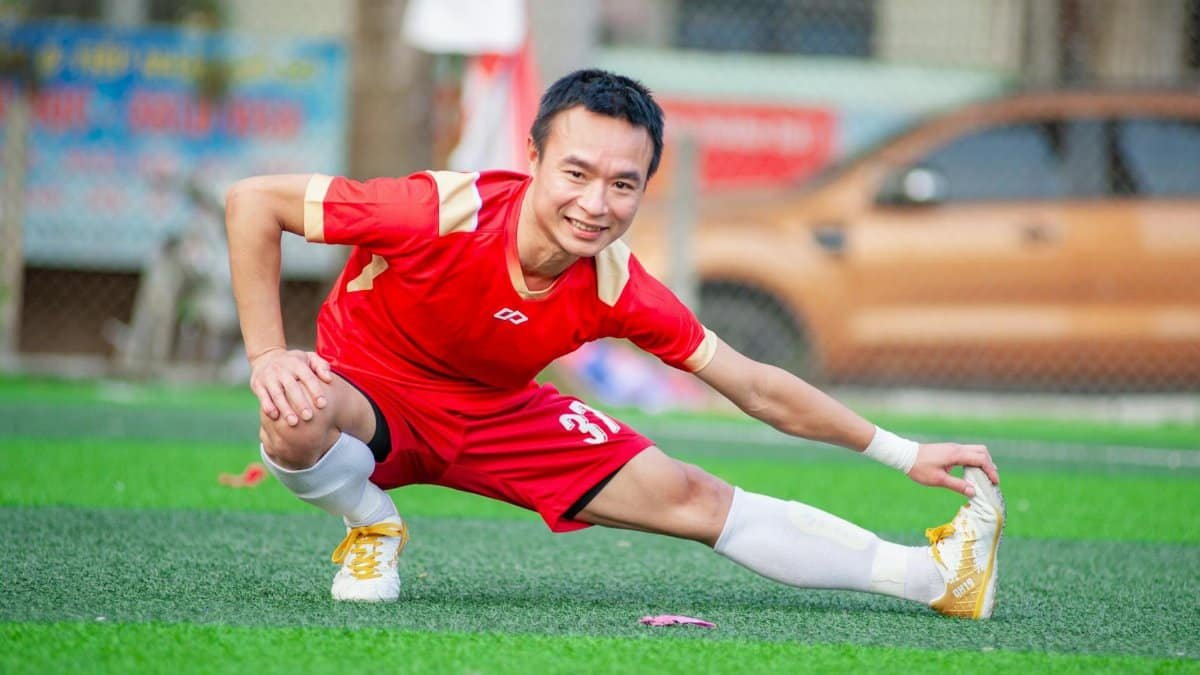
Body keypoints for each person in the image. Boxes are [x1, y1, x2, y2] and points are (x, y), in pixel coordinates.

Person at [224, 69, 1005, 619]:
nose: (595, 204)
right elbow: (254, 202)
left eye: (623, 184)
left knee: (693, 495)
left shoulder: (617, 285)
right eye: (576, 172)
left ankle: (935, 577)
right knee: (295, 410)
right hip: (367, 397)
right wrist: (268, 355)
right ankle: (371, 522)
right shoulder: (439, 209)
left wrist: (904, 452)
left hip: (499, 416)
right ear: (532, 160)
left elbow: (757, 387)